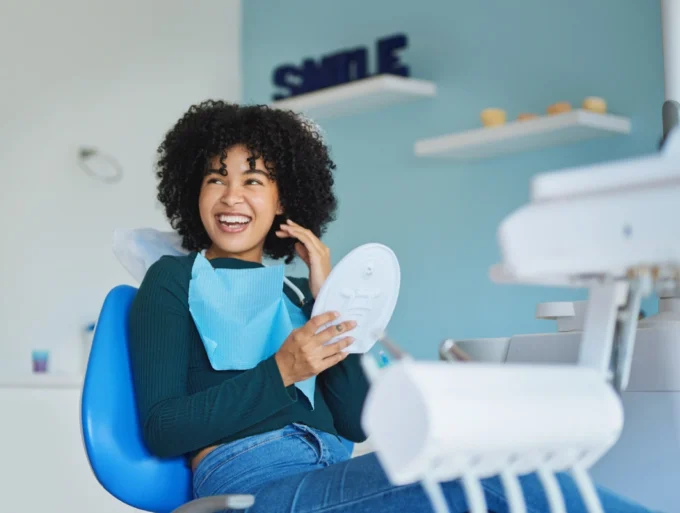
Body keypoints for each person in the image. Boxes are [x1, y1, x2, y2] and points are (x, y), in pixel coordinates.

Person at [127, 100, 653, 513]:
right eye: (215, 178)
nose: (231, 196)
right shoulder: (172, 281)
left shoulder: (294, 295)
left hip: (329, 471)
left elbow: (355, 421)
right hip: (252, 485)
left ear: (283, 200)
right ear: (193, 192)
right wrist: (282, 370)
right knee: (482, 479)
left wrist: (327, 300)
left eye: (252, 181)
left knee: (494, 469)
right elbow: (162, 427)